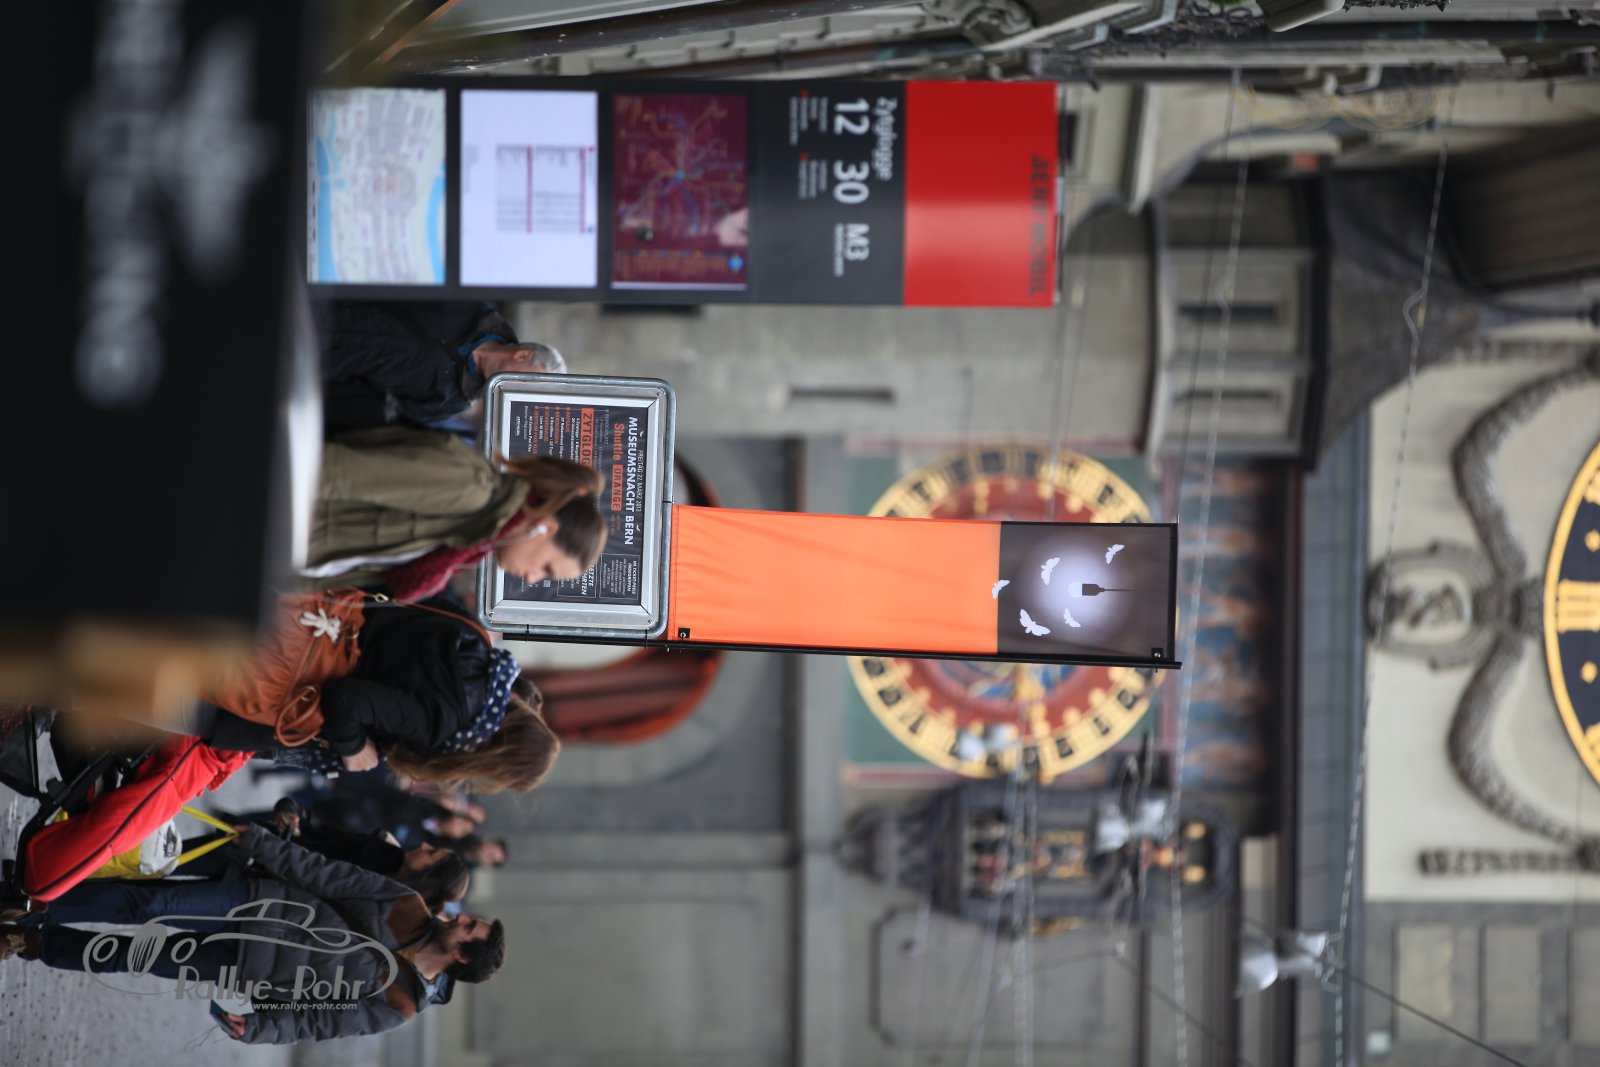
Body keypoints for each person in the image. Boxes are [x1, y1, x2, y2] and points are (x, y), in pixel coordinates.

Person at [0, 823, 506, 1044]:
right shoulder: (409, 905)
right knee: (149, 903)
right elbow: (329, 876)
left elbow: (322, 1022)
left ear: (463, 957)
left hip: (240, 967)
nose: (458, 917)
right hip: (255, 904)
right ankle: (34, 904)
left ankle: (32, 943)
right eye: (469, 917)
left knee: (133, 956)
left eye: (468, 927)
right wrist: (265, 845)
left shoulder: (400, 1007)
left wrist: (263, 1028)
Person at [302, 425, 607, 602]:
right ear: (546, 527)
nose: (531, 578)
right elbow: (328, 472)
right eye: (546, 569)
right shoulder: (469, 487)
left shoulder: (470, 540)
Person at [321, 300, 566, 437]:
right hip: (322, 302)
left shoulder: (450, 403)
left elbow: (367, 407)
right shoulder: (470, 307)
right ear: (522, 355)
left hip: (315, 366)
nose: (512, 393)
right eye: (523, 384)